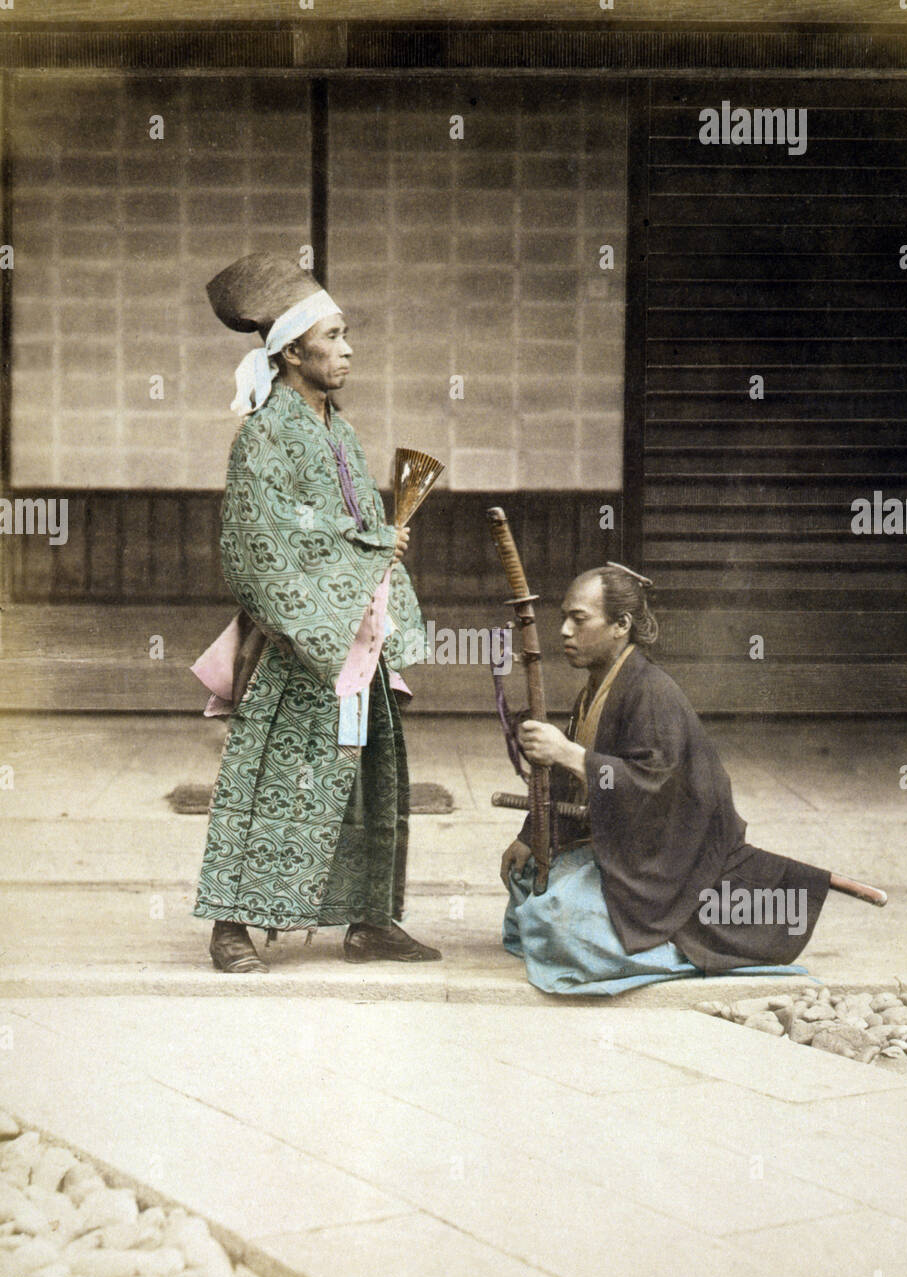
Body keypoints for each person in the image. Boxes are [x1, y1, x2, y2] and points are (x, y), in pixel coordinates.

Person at [193, 252, 440, 972]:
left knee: (368, 776)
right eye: (334, 337)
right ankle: (231, 927)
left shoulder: (339, 429)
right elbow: (258, 543)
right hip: (305, 643)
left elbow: (348, 523)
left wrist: (381, 546)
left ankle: (370, 922)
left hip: (356, 638)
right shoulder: (265, 436)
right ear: (293, 353)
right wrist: (367, 547)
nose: (349, 349)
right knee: (273, 780)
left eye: (347, 334)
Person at [499, 564, 831, 996]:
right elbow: (571, 781)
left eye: (578, 619)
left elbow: (655, 789)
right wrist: (531, 835)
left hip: (674, 862)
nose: (563, 630)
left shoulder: (651, 692)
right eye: (563, 617)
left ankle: (677, 950)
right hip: (631, 849)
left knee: (557, 922)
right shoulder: (597, 687)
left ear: (622, 625)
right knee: (526, 884)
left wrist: (569, 753)